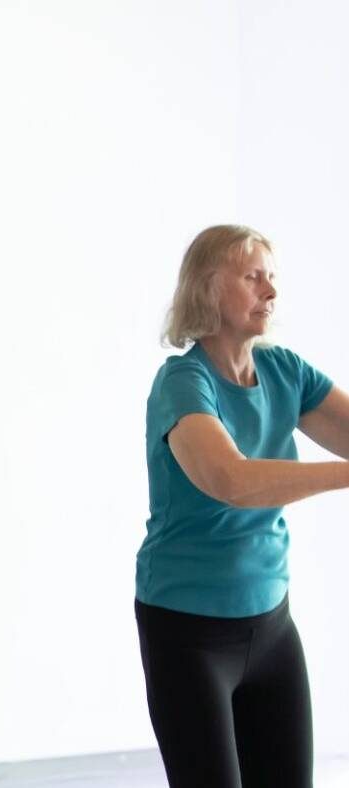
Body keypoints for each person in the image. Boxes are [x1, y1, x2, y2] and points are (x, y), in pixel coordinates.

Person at [137, 224, 349, 787]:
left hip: (271, 626)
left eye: (272, 278)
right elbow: (229, 478)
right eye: (253, 277)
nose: (270, 292)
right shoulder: (183, 383)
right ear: (208, 288)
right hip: (188, 634)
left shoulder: (285, 370)